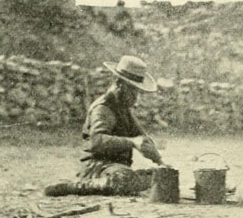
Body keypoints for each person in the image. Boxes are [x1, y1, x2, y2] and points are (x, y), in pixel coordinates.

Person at [45, 55, 166, 196]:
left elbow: (142, 138)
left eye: (137, 91)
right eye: (132, 90)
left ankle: (120, 180)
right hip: (96, 166)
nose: (135, 96)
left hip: (115, 168)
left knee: (157, 175)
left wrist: (160, 161)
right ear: (119, 84)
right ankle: (72, 187)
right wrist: (132, 142)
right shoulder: (103, 107)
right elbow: (96, 141)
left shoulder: (123, 108)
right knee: (123, 179)